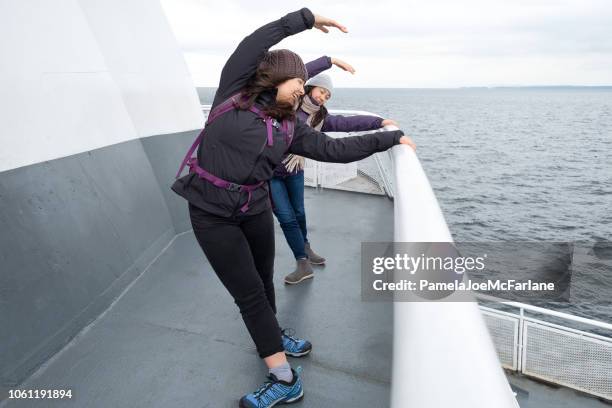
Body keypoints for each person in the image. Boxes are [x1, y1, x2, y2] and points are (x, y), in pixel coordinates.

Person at [171, 8, 415, 408]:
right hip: (212, 212)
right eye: (299, 82)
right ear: (276, 77)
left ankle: (273, 335)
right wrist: (305, 19)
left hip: (254, 207)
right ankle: (284, 378)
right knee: (249, 294)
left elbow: (332, 149)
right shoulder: (232, 93)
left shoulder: (290, 125)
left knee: (263, 280)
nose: (303, 90)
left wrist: (388, 139)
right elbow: (256, 41)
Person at [271, 58, 400, 285]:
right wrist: (329, 61)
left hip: (294, 169)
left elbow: (347, 123)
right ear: (308, 87)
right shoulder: (286, 104)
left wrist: (379, 122)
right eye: (322, 91)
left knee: (299, 212)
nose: (323, 97)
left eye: (327, 96)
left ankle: (306, 248)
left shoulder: (320, 118)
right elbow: (299, 72)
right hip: (271, 172)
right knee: (286, 217)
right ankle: (302, 263)